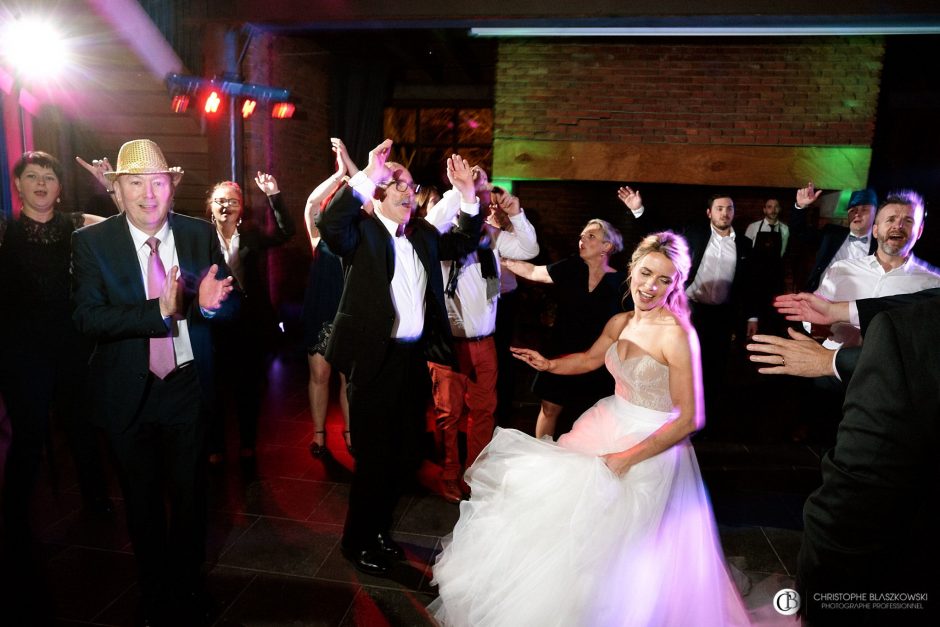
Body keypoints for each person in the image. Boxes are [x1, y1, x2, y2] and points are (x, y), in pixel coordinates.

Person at [429, 232, 749, 626]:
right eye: (646, 273)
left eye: (664, 280)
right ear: (632, 271)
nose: (651, 286)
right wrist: (550, 365)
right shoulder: (619, 321)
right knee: (565, 526)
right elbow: (589, 359)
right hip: (608, 421)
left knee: (627, 550)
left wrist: (624, 459)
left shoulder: (678, 334)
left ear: (676, 284)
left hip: (652, 448)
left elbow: (690, 419)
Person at [71, 139, 236, 625]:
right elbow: (87, 318)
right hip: (127, 390)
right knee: (141, 502)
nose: (148, 194)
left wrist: (209, 305)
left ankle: (188, 587)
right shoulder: (92, 243)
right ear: (118, 190)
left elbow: (232, 301)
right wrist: (158, 311)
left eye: (158, 182)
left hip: (186, 386)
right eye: (136, 183)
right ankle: (154, 592)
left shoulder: (198, 234)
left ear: (172, 186)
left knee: (190, 498)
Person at [316, 139, 481, 576]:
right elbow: (330, 224)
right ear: (378, 194)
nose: (408, 191)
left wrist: (467, 196)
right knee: (373, 460)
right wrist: (368, 174)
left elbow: (465, 241)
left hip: (411, 361)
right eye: (396, 185)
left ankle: (379, 532)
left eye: (410, 185)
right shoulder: (362, 233)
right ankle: (357, 542)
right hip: (374, 360)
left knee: (402, 456)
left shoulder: (422, 234)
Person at [0, 151, 109, 554]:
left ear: (60, 188)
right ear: (18, 184)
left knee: (82, 428)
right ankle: (14, 520)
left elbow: (125, 226)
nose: (41, 183)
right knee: (27, 435)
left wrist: (111, 186)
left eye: (49, 177)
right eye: (32, 176)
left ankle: (97, 504)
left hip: (71, 345)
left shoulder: (76, 225)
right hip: (20, 353)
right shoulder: (3, 229)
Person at [425, 167, 539, 503]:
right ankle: (448, 474)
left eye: (486, 190)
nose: (484, 195)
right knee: (448, 415)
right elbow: (431, 223)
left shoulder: (491, 236)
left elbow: (528, 249)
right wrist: (461, 190)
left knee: (484, 412)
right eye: (478, 190)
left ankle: (475, 474)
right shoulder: (443, 234)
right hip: (450, 343)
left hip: (485, 341)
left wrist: (515, 212)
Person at [503, 219, 626, 439]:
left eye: (590, 236)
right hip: (561, 348)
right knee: (550, 408)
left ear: (607, 246)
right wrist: (503, 260)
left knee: (589, 415)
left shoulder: (620, 283)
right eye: (581, 236)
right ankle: (544, 457)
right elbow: (532, 271)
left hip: (597, 357)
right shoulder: (570, 268)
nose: (582, 240)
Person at [205, 173, 295, 464]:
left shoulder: (252, 236)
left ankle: (247, 443)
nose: (225, 207)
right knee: (215, 388)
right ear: (211, 206)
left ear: (241, 208)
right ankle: (215, 445)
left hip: (248, 323)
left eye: (232, 202)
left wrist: (274, 195)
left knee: (248, 387)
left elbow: (286, 232)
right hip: (214, 323)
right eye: (220, 201)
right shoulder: (201, 237)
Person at [683, 194, 755, 431]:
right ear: (709, 213)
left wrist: (751, 316)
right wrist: (639, 210)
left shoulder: (744, 244)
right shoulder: (694, 235)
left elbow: (748, 284)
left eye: (729, 209)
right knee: (687, 365)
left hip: (723, 316)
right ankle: (682, 419)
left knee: (715, 369)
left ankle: (706, 423)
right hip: (691, 311)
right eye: (720, 208)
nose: (725, 213)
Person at [302, 138, 354, 457]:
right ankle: (319, 435)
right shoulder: (317, 234)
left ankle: (350, 433)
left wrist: (354, 176)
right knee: (319, 375)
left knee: (348, 379)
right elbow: (310, 204)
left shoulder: (358, 237)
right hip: (321, 311)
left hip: (349, 314)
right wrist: (339, 174)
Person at [791, 184, 877, 292]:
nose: (857, 214)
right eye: (853, 209)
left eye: (864, 209)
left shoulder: (880, 247)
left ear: (875, 214)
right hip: (820, 298)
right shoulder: (831, 234)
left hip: (853, 304)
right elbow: (800, 233)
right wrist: (800, 206)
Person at [744, 198, 789, 335]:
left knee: (773, 319)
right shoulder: (753, 227)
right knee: (755, 315)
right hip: (756, 276)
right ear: (764, 209)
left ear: (779, 209)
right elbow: (746, 253)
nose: (773, 210)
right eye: (769, 207)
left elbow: (782, 253)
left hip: (775, 278)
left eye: (776, 207)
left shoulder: (785, 229)